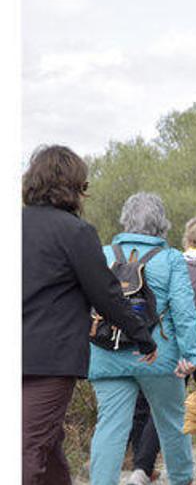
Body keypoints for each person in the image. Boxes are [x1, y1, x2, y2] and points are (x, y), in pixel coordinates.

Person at [22, 145, 158, 485]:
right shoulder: (75, 232)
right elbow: (107, 293)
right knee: (28, 449)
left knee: (43, 445)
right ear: (74, 185)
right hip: (49, 360)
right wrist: (142, 336)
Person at [87, 192, 196, 485]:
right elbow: (183, 310)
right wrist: (191, 355)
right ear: (162, 223)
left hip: (106, 352)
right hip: (158, 356)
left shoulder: (103, 254)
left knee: (110, 426)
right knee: (172, 422)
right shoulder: (171, 259)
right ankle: (181, 479)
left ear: (125, 219)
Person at [127, 215, 196, 484]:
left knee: (163, 407)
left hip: (174, 346)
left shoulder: (172, 261)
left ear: (189, 237)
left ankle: (142, 468)